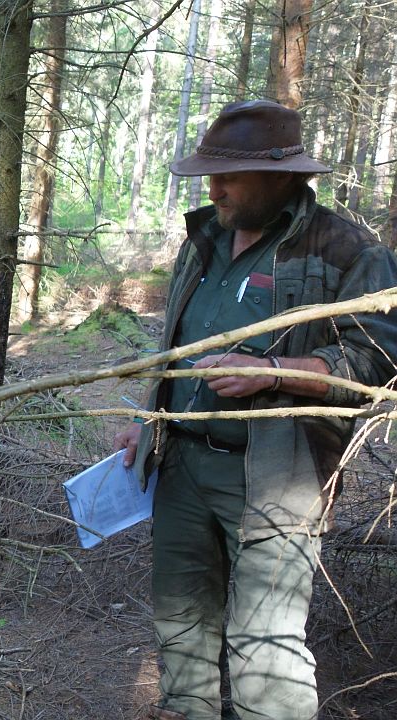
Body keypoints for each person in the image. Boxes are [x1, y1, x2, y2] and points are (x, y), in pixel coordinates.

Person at [113, 100, 397, 720]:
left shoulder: (349, 252)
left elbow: (376, 364)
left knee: (266, 652)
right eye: (209, 175)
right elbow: (177, 344)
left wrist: (272, 373)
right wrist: (146, 419)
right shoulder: (204, 239)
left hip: (277, 478)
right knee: (181, 626)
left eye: (228, 177)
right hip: (181, 464)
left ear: (280, 176)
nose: (213, 189)